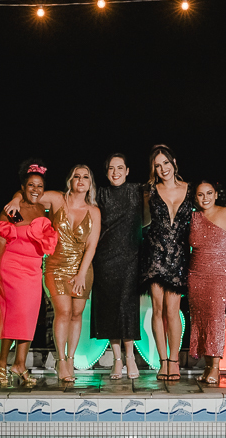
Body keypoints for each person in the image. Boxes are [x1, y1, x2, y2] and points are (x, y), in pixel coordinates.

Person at [2, 165, 102, 383]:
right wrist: (16, 199)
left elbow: (92, 246)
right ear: (70, 181)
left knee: (76, 313)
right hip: (56, 266)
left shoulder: (94, 211)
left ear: (90, 183)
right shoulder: (57, 199)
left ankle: (71, 359)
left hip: (82, 268)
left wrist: (81, 274)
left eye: (85, 177)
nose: (81, 180)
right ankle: (61, 360)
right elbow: (31, 193)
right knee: (63, 311)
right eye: (76, 176)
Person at [0, 160, 59, 387]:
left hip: (33, 269)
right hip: (12, 267)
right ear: (23, 188)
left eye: (40, 186)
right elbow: (1, 238)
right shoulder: (14, 210)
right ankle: (1, 361)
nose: (35, 189)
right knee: (14, 315)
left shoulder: (42, 209)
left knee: (29, 316)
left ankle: (19, 364)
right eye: (31, 185)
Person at [140, 144, 192, 381]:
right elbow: (141, 221)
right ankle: (162, 362)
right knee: (158, 309)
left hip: (178, 256)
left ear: (174, 163)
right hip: (155, 254)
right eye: (157, 165)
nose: (163, 169)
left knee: (173, 310)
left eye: (166, 163)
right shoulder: (150, 191)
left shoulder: (190, 189)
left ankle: (174, 360)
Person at [91, 153, 143, 379]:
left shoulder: (137, 190)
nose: (116, 172)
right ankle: (117, 360)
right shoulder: (99, 193)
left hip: (131, 258)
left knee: (127, 308)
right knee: (110, 308)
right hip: (105, 259)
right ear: (106, 172)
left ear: (127, 170)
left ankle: (130, 358)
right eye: (111, 168)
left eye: (120, 168)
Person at [188, 181, 226, 385]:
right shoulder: (193, 216)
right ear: (195, 197)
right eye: (200, 194)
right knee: (200, 319)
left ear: (216, 194)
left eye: (208, 193)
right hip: (196, 274)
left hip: (219, 273)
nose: (205, 198)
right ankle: (207, 366)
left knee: (215, 318)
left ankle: (215, 367)